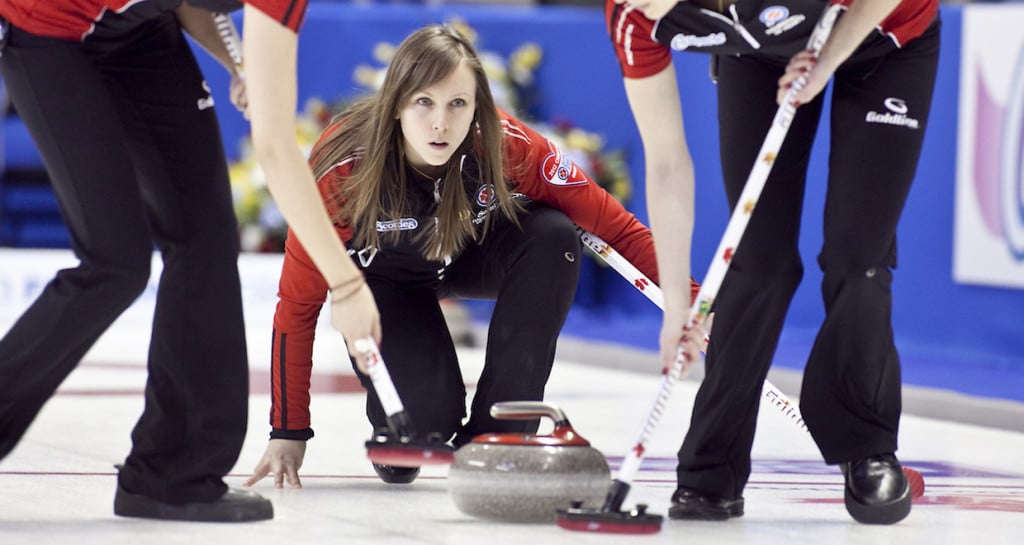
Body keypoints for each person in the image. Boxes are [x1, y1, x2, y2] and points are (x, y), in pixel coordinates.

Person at [242, 24, 674, 489]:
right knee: (416, 437)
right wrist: (288, 430)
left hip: (471, 255)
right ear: (396, 105)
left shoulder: (510, 146)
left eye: (457, 104)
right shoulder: (344, 167)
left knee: (553, 235)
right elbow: (297, 305)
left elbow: (619, 230)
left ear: (478, 108)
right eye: (423, 102)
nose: (440, 124)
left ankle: (500, 433)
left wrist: (700, 307)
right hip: (389, 278)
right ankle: (406, 415)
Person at [606, 0, 939, 524]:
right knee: (757, 259)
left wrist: (824, 63)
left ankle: (868, 447)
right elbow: (667, 163)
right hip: (758, 53)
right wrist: (677, 307)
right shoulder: (633, 15)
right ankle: (710, 469)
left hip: (887, 37)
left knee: (858, 255)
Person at [0, 0, 279, 522]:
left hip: (141, 33)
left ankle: (172, 474)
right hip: (50, 35)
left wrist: (243, 69)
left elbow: (192, 4)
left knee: (206, 235)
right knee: (115, 261)